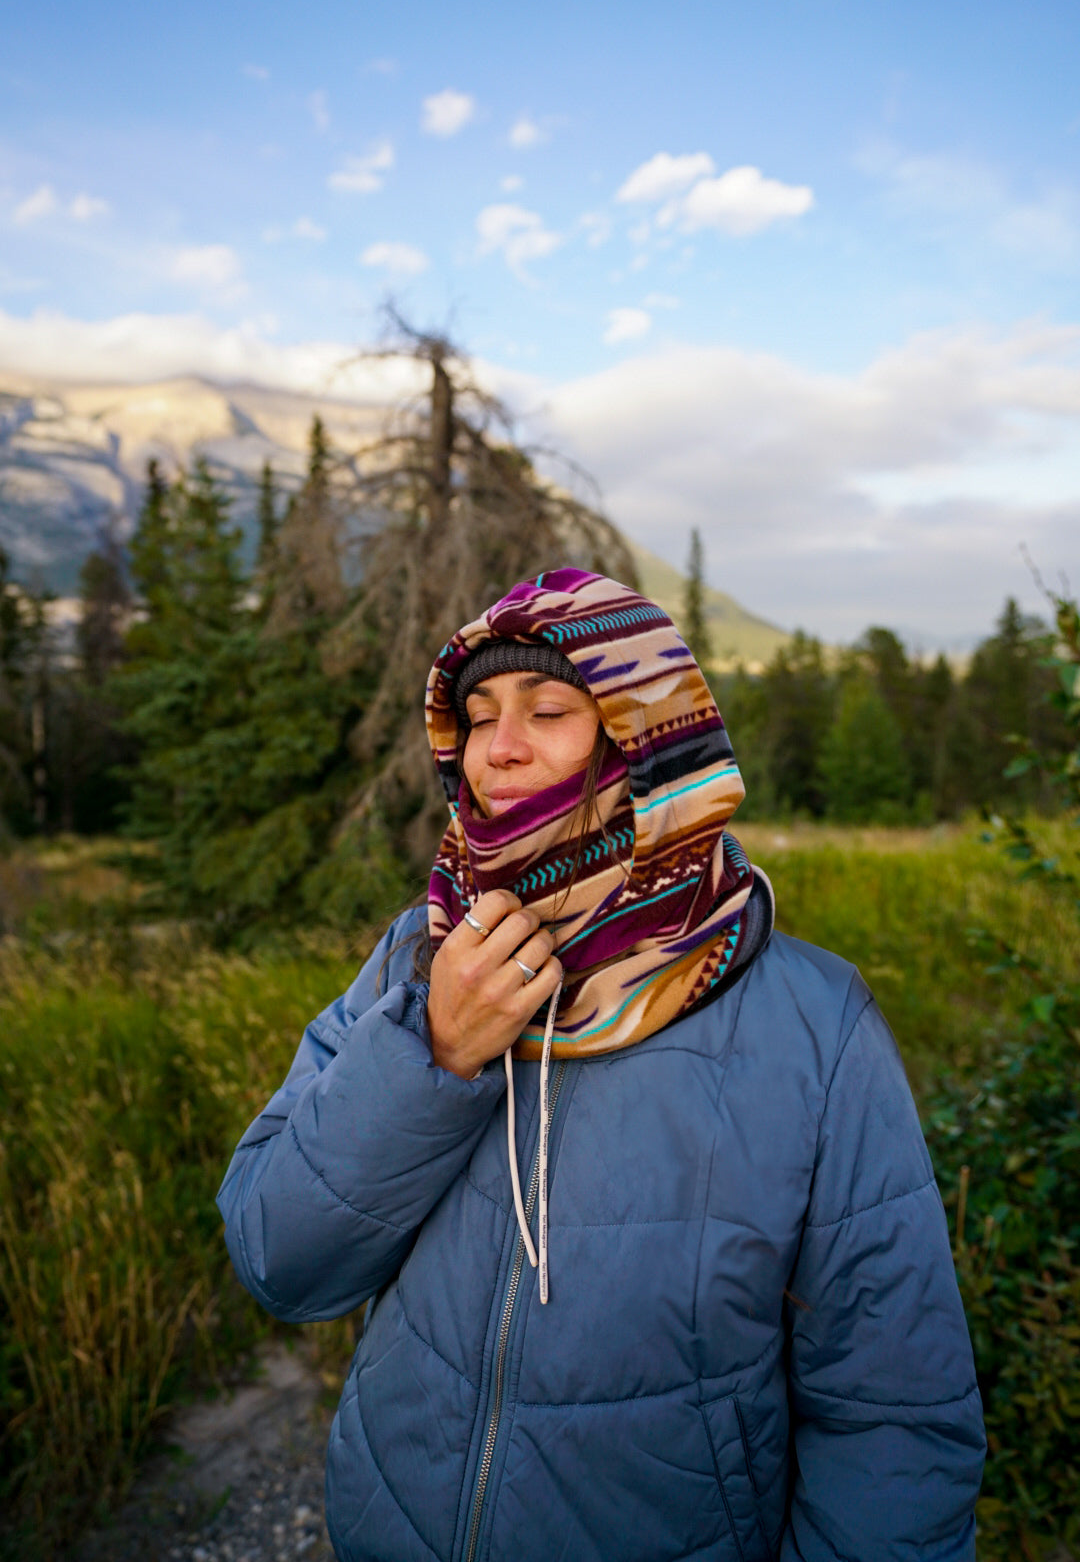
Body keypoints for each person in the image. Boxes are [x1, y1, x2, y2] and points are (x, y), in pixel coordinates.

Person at [218, 567, 985, 1562]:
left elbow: (893, 1417)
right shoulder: (420, 958)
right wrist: (436, 1054)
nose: (498, 748)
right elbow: (279, 1256)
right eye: (479, 714)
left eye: (548, 710)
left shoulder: (812, 1021)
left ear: (645, 744)